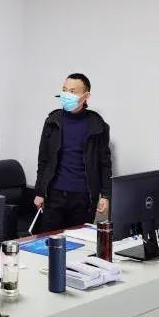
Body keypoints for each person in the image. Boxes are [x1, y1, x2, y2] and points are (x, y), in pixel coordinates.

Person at [33, 73, 111, 232]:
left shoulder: (97, 125)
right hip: (54, 195)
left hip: (83, 198)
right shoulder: (52, 121)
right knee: (49, 241)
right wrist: (39, 192)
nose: (66, 94)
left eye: (73, 91)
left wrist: (105, 195)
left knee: (78, 243)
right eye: (64, 90)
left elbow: (104, 163)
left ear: (86, 96)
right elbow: (44, 160)